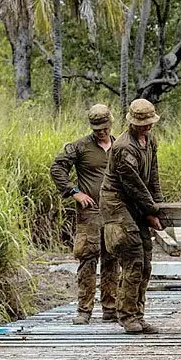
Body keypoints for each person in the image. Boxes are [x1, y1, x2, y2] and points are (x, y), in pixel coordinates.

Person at [49, 104, 119, 325]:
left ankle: (110, 308)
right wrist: (74, 192)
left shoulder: (119, 147)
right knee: (88, 258)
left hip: (114, 212)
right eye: (97, 129)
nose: (101, 132)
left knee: (112, 258)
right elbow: (57, 168)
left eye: (105, 128)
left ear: (111, 123)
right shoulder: (80, 147)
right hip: (90, 213)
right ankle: (84, 309)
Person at [100, 99, 164, 334]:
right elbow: (133, 185)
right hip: (117, 204)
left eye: (148, 123)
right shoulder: (124, 147)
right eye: (141, 124)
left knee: (146, 259)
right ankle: (127, 315)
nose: (146, 127)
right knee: (133, 257)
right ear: (132, 123)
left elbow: (152, 175)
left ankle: (138, 313)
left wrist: (160, 205)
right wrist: (152, 211)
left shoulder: (150, 140)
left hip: (136, 204)